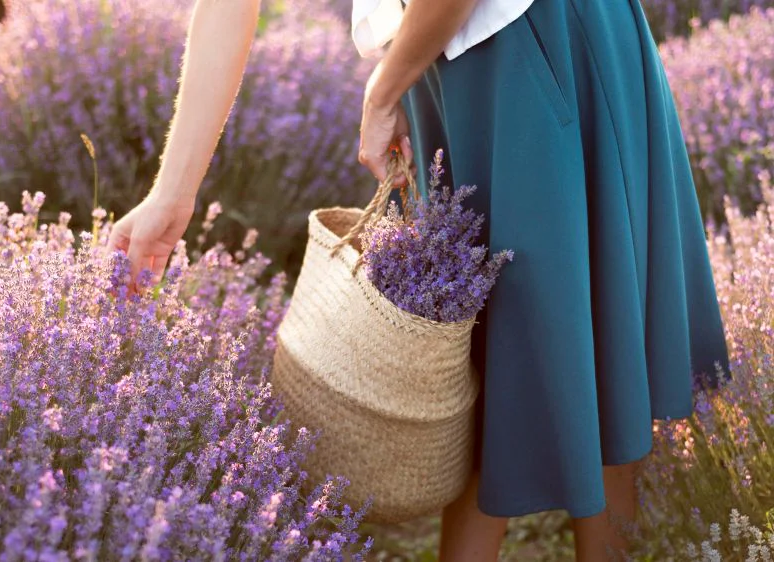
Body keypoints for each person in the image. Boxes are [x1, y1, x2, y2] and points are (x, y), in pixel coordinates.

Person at [105, 0, 732, 560]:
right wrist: (172, 196)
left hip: (536, 39)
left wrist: (385, 89)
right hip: (448, 55)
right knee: (484, 352)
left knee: (587, 368)